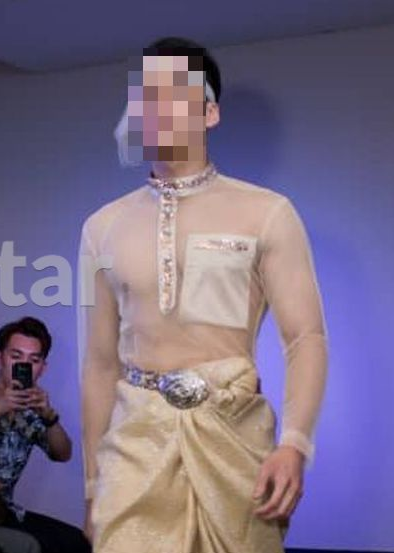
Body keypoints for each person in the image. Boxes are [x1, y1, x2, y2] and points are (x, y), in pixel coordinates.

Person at [78, 37, 327, 552]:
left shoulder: (266, 212)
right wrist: (91, 487)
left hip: (233, 445)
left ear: (209, 112)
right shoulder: (103, 227)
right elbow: (100, 364)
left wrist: (295, 445)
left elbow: (306, 338)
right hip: (134, 456)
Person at [0, 317, 91, 553]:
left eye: (34, 360)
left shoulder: (32, 409)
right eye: (16, 356)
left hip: (4, 512)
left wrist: (48, 416)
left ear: (42, 368)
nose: (24, 365)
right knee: (24, 546)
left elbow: (63, 454)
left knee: (77, 542)